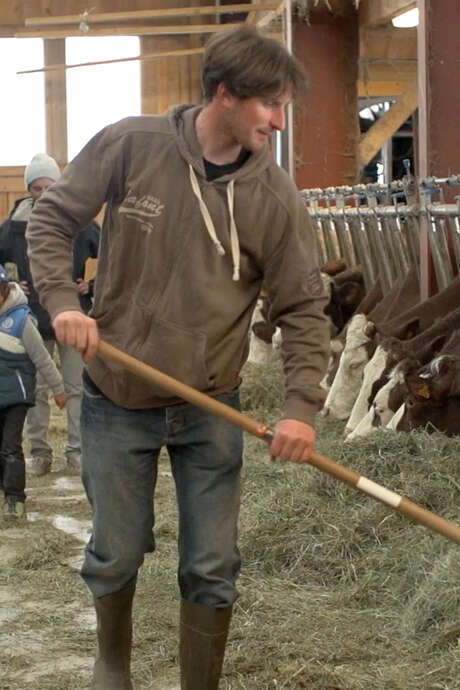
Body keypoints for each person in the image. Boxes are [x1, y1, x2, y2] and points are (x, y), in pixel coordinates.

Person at [26, 26, 330, 690]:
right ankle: (113, 669)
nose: (279, 123)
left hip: (211, 404)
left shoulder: (273, 196)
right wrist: (60, 303)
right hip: (116, 395)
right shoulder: (131, 145)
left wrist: (301, 409)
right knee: (114, 553)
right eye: (268, 105)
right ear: (225, 94)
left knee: (213, 565)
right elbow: (50, 222)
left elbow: (304, 310)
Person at [0, 153, 99, 476]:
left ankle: (77, 450)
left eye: (49, 186)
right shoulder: (12, 227)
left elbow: (115, 251)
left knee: (75, 386)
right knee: (36, 389)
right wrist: (10, 285)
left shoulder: (80, 222)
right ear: (29, 189)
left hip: (72, 316)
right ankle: (39, 454)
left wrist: (93, 285)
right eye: (36, 187)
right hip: (29, 320)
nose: (43, 193)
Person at [0, 264, 67, 520]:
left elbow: (43, 358)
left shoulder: (21, 320)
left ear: (5, 290)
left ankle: (15, 499)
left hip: (16, 397)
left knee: (10, 447)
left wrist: (58, 389)